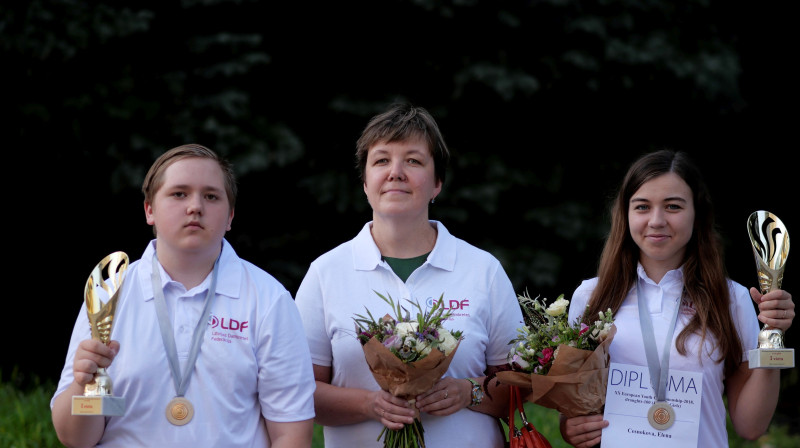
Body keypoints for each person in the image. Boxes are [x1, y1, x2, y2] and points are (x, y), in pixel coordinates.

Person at [51, 144, 316, 448]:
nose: (195, 206)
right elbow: (74, 439)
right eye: (179, 194)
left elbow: (291, 436)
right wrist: (84, 385)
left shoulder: (268, 299)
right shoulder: (109, 293)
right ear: (149, 209)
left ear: (230, 216)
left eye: (211, 196)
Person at [294, 102, 524, 447]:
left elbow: (522, 383)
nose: (395, 172)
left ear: (437, 184)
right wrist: (369, 404)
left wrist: (468, 392)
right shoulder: (326, 272)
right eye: (382, 160)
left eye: (413, 161)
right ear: (365, 182)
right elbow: (296, 392)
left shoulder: (482, 270)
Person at [559, 149, 795, 447]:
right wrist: (570, 427)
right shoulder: (590, 296)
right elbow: (573, 411)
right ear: (625, 213)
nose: (656, 220)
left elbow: (750, 426)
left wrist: (772, 334)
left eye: (673, 206)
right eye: (642, 207)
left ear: (698, 214)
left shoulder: (730, 298)